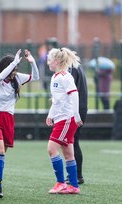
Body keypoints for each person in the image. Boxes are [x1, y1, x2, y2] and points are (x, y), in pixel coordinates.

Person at [0, 49, 39, 198]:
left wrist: (32, 62)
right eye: (14, 68)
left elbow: (36, 77)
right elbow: (0, 77)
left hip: (8, 118)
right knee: (0, 150)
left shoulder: (16, 79)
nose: (15, 72)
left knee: (2, 154)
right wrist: (14, 62)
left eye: (16, 69)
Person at [45, 47, 83, 194]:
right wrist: (50, 114)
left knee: (51, 149)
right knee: (68, 152)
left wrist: (76, 115)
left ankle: (61, 183)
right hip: (61, 118)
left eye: (49, 60)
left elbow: (74, 95)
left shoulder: (65, 77)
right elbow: (57, 100)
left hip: (67, 119)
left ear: (56, 61)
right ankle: (73, 186)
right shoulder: (55, 77)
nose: (48, 63)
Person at [69, 65, 88, 184]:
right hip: (80, 108)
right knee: (74, 141)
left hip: (75, 109)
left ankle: (76, 175)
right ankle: (77, 175)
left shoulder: (72, 69)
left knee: (72, 142)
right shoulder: (78, 66)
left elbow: (71, 91)